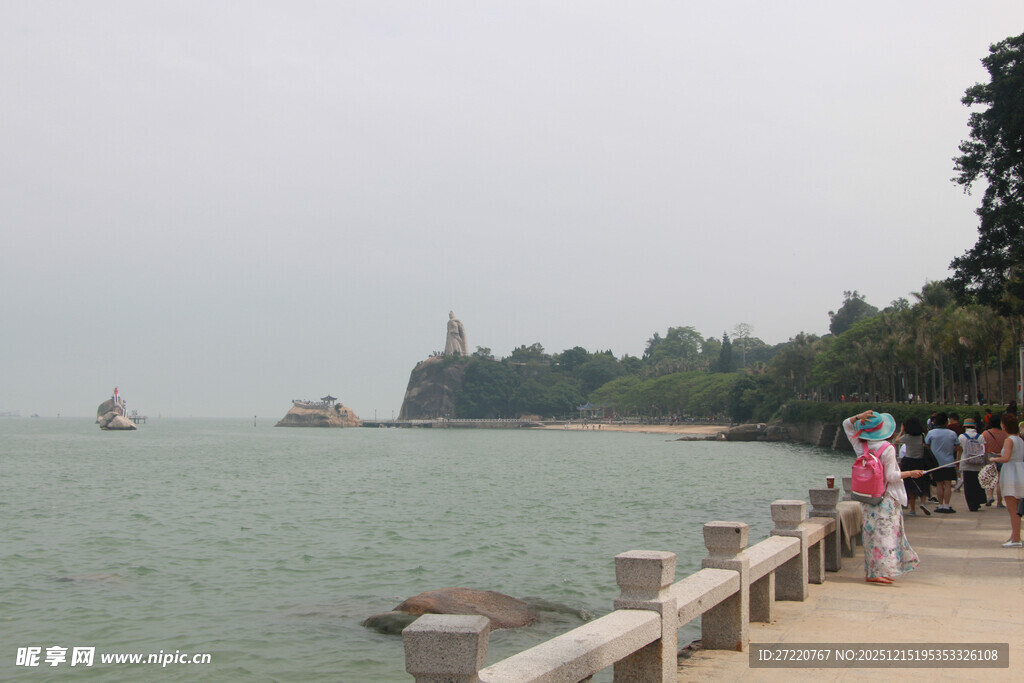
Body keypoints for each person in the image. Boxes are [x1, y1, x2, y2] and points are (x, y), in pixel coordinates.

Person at [844, 410, 925, 584]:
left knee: (871, 535)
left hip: (868, 497)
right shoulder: (887, 448)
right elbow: (891, 477)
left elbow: (846, 425)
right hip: (885, 497)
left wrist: (859, 416)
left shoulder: (861, 445)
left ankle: (873, 571)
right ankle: (878, 573)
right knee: (886, 535)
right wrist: (911, 473)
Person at [990, 414, 1024, 548]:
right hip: (1019, 470)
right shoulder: (1019, 439)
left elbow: (1006, 458)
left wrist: (994, 459)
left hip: (1011, 473)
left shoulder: (1009, 440)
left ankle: (1016, 538)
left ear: (1004, 425)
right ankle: (1014, 536)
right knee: (1016, 508)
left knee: (1013, 509)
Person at [895, 417, 931, 516]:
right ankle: (923, 503)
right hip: (921, 461)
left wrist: (901, 431)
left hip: (908, 462)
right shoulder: (922, 435)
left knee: (910, 484)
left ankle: (912, 509)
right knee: (923, 482)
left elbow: (897, 440)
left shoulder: (907, 437)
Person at [925, 413, 959, 513]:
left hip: (936, 463)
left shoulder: (931, 433)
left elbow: (926, 445)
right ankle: (947, 505)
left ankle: (940, 505)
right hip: (949, 462)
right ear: (946, 422)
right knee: (948, 484)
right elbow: (957, 446)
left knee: (939, 484)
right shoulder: (952, 433)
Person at [957, 418, 988, 511]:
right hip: (978, 464)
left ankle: (971, 504)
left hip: (966, 464)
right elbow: (984, 451)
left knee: (968, 486)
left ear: (965, 426)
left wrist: (958, 462)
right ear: (975, 426)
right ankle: (978, 502)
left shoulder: (962, 437)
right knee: (978, 484)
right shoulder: (980, 437)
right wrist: (986, 463)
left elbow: (959, 450)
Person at [982, 413, 1008, 508]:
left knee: (990, 478)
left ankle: (989, 496)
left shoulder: (985, 433)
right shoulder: (1005, 434)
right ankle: (1000, 502)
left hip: (990, 456)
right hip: (1001, 456)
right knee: (999, 481)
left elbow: (983, 448)